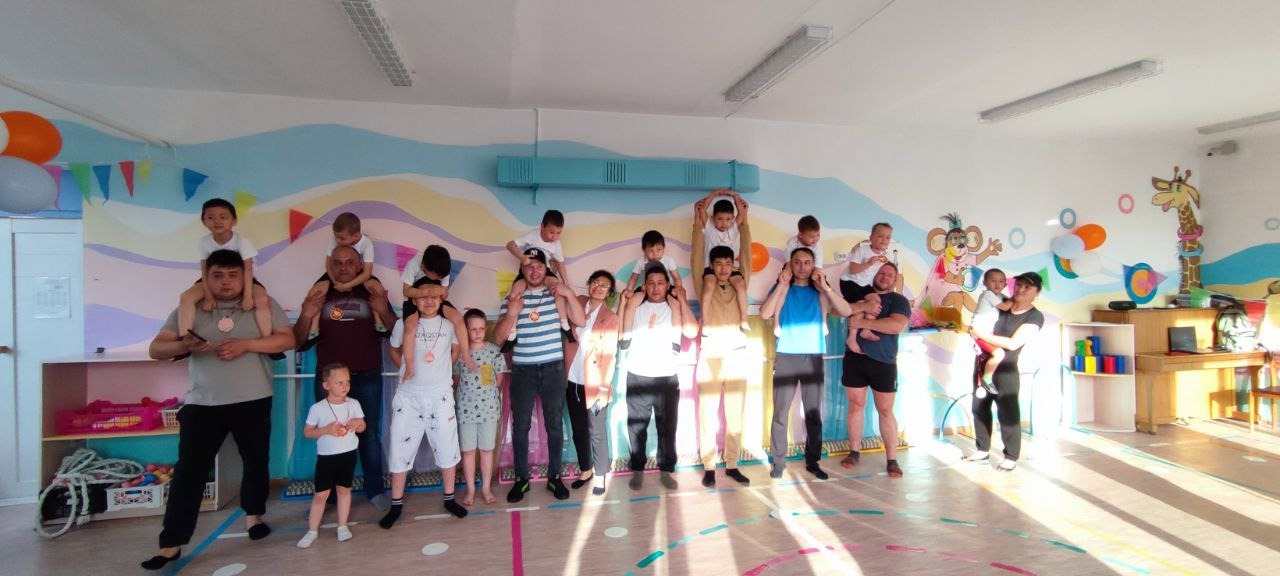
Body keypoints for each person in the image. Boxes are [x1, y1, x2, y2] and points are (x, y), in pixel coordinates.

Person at [141, 249, 294, 570]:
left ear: (244, 277)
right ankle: (171, 543)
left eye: (232, 275)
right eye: (218, 275)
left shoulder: (260, 305)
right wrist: (184, 345)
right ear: (206, 278)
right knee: (188, 472)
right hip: (203, 403)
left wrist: (246, 345)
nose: (226, 282)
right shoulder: (191, 310)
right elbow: (156, 348)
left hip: (253, 398)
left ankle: (254, 517)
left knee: (255, 462)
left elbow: (285, 340)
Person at [293, 245, 399, 511]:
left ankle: (375, 491)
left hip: (367, 377)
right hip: (329, 384)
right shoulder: (320, 294)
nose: (343, 267)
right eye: (338, 262)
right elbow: (299, 341)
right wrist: (306, 314)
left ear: (360, 265)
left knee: (369, 434)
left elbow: (396, 333)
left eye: (349, 262)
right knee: (328, 436)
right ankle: (327, 494)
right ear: (330, 265)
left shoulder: (371, 291)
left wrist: (384, 309)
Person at [493, 247, 586, 502]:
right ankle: (521, 479)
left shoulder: (556, 293)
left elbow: (581, 320)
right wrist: (512, 313)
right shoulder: (513, 297)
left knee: (554, 426)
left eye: (539, 266)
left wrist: (568, 292)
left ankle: (554, 477)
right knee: (520, 427)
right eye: (529, 266)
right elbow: (499, 338)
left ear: (546, 269)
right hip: (522, 370)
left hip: (553, 369)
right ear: (522, 269)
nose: (534, 271)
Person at [760, 248, 858, 480]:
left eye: (807, 262)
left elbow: (846, 310)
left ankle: (813, 461)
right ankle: (778, 462)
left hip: (813, 356)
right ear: (790, 265)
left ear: (813, 265)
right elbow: (765, 314)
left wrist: (826, 286)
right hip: (786, 355)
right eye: (797, 262)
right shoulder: (783, 287)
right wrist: (782, 284)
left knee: (813, 413)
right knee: (780, 413)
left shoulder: (820, 290)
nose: (802, 267)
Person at [380, 281, 467, 528]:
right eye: (423, 297)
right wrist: (407, 370)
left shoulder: (449, 325)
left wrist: (441, 371)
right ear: (414, 300)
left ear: (442, 300)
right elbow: (393, 351)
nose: (429, 301)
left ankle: (449, 498)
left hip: (440, 396)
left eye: (434, 296)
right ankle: (396, 505)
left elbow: (455, 350)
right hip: (409, 397)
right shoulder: (403, 324)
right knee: (399, 449)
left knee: (447, 446)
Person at [621, 263, 699, 490]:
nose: (656, 288)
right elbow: (623, 331)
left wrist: (681, 299)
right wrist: (628, 301)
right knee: (636, 427)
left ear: (667, 285)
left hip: (667, 377)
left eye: (661, 283)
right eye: (651, 283)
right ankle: (638, 469)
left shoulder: (674, 306)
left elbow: (692, 331)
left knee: (667, 427)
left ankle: (666, 471)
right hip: (638, 375)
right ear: (645, 286)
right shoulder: (636, 305)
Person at [967, 271, 1045, 471]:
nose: (1021, 289)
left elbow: (1012, 343)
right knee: (979, 408)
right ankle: (982, 450)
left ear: (1037, 293)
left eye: (1027, 287)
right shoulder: (1001, 304)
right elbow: (981, 320)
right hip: (983, 363)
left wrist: (979, 334)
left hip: (1006, 371)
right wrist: (976, 336)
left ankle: (1011, 456)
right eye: (1018, 284)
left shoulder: (1034, 316)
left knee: (1008, 413)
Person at [840, 263, 911, 478]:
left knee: (885, 410)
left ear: (895, 280)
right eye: (881, 273)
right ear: (874, 275)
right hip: (854, 359)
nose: (884, 277)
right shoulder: (861, 293)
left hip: (884, 362)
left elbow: (896, 326)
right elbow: (839, 310)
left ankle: (892, 459)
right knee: (855, 406)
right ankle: (854, 451)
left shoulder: (898, 300)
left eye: (890, 275)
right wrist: (860, 308)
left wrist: (861, 321)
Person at [695, 246, 753, 487]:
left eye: (728, 264)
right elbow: (696, 257)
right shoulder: (704, 284)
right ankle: (709, 467)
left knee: (735, 414)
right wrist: (698, 227)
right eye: (718, 264)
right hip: (710, 355)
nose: (724, 269)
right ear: (711, 265)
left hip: (736, 355)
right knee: (707, 414)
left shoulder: (740, 284)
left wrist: (744, 225)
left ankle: (732, 464)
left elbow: (747, 258)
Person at [177, 199, 272, 344]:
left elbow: (248, 269)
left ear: (234, 221)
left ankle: (268, 340)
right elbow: (204, 270)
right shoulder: (204, 242)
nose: (217, 221)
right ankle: (185, 339)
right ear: (203, 222)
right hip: (211, 279)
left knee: (262, 299)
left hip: (244, 278)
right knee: (186, 297)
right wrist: (209, 296)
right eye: (211, 217)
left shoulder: (242, 242)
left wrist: (247, 296)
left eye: (223, 217)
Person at [563, 270, 621, 496]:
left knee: (596, 431)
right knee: (578, 430)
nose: (598, 287)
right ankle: (586, 470)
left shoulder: (611, 318)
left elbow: (610, 356)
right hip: (572, 377)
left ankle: (600, 475)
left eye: (604, 285)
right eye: (595, 282)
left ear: (609, 293)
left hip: (596, 383)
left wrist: (604, 388)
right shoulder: (577, 302)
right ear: (588, 284)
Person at [297, 363, 366, 549]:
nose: (345, 386)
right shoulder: (318, 408)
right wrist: (326, 430)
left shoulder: (354, 404)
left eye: (347, 382)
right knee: (321, 494)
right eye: (339, 382)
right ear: (326, 385)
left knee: (344, 490)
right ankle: (312, 530)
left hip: (348, 455)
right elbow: (307, 432)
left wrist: (357, 424)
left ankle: (342, 526)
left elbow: (362, 426)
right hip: (327, 458)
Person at [454, 308, 509, 506]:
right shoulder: (460, 353)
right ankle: (470, 489)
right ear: (465, 330)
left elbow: (499, 380)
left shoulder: (494, 352)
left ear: (486, 328)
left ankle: (486, 488)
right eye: (473, 329)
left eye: (481, 328)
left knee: (486, 450)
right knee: (468, 452)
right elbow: (456, 380)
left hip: (489, 411)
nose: (477, 333)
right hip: (466, 412)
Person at [400, 245, 474, 379]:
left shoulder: (443, 269)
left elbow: (445, 294)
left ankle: (466, 355)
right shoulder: (413, 264)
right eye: (435, 276)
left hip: (436, 300)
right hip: (414, 300)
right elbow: (406, 291)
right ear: (424, 266)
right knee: (410, 327)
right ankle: (409, 367)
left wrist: (437, 292)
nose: (437, 278)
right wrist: (424, 293)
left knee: (458, 318)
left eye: (440, 277)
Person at [303, 212, 383, 336]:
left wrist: (347, 285)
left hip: (358, 272)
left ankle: (379, 322)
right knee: (317, 291)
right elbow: (328, 264)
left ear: (356, 236)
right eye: (336, 237)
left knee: (376, 289)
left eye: (342, 238)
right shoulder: (336, 239)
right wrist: (334, 281)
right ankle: (314, 328)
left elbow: (367, 273)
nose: (338, 241)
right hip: (334, 273)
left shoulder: (367, 244)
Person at [505, 209, 573, 336]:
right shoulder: (533, 235)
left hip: (545, 271)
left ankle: (564, 323)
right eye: (551, 232)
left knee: (558, 288)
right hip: (527, 271)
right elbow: (510, 245)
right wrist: (522, 257)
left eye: (558, 233)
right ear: (542, 226)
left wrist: (566, 283)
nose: (554, 237)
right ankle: (512, 332)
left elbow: (560, 263)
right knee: (514, 293)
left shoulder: (557, 244)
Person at [696, 189, 750, 333]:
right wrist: (714, 194)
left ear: (732, 219)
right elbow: (702, 210)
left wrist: (735, 196)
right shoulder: (709, 228)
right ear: (713, 218)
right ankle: (705, 321)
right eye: (720, 219)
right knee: (709, 284)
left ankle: (744, 319)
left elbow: (741, 212)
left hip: (731, 268)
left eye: (727, 219)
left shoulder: (733, 229)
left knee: (740, 284)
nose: (724, 223)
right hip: (711, 268)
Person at [972, 268, 1012, 398]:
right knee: (999, 354)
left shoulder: (999, 296)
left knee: (995, 353)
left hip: (986, 332)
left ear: (1005, 284)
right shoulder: (988, 294)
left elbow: (1007, 301)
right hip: (980, 332)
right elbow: (1005, 307)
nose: (997, 284)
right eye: (993, 281)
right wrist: (1016, 297)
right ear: (985, 283)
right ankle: (987, 378)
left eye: (1001, 281)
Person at [621, 230, 684, 309]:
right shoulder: (641, 261)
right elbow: (633, 279)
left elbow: (677, 278)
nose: (655, 254)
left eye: (659, 249)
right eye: (651, 250)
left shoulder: (669, 260)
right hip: (649, 287)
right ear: (644, 250)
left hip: (666, 287)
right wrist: (629, 290)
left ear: (664, 248)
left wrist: (677, 288)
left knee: (677, 298)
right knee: (634, 296)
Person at [840, 222, 894, 303]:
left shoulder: (886, 256)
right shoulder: (862, 250)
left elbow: (888, 271)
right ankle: (847, 308)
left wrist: (891, 286)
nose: (884, 240)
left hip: (865, 284)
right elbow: (852, 270)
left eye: (888, 237)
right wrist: (868, 263)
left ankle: (863, 311)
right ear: (871, 238)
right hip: (850, 281)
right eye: (880, 236)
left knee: (876, 301)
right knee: (861, 304)